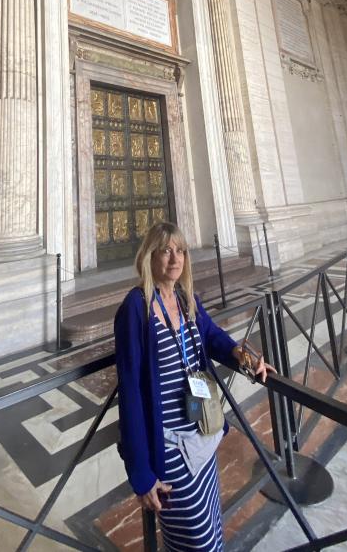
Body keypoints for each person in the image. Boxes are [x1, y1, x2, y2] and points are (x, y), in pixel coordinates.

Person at [114, 221, 274, 550]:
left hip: (202, 433)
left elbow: (214, 338)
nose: (175, 258)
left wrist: (249, 360)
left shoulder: (188, 300)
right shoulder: (136, 307)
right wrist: (141, 475)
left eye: (181, 251)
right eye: (166, 251)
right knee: (195, 541)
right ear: (149, 256)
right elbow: (130, 392)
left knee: (213, 529)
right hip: (171, 448)